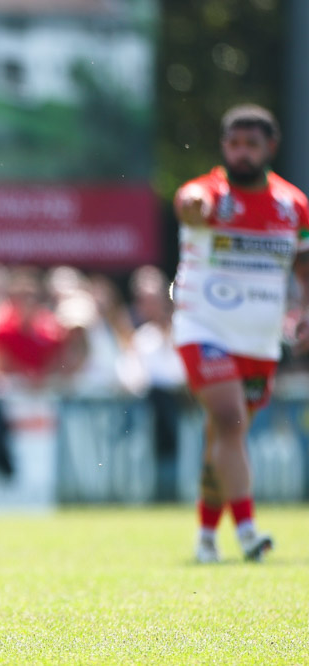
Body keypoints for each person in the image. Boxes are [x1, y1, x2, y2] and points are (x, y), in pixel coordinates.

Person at [172, 104, 309, 563]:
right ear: (223, 147)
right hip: (203, 327)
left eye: (251, 144)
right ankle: (248, 533)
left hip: (260, 339)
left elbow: (304, 266)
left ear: (270, 147)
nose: (242, 153)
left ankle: (206, 537)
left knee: (224, 435)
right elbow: (191, 206)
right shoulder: (205, 191)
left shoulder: (294, 204)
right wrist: (196, 209)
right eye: (234, 144)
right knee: (230, 420)